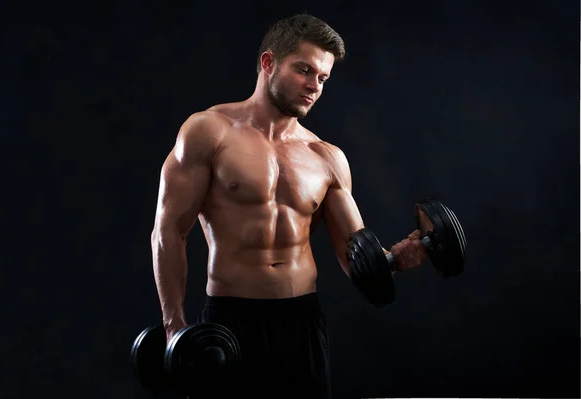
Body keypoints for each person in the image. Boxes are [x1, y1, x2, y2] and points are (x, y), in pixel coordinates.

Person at [150, 14, 428, 398]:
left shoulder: (327, 156)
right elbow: (168, 230)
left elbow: (356, 257)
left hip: (302, 323)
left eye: (323, 78)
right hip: (232, 321)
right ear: (268, 63)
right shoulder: (208, 132)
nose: (314, 86)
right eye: (304, 70)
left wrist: (395, 259)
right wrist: (173, 327)